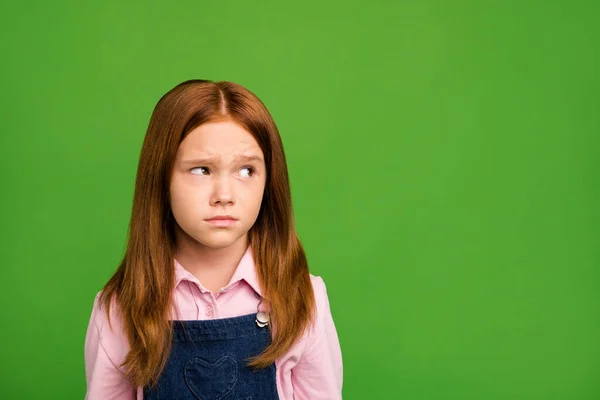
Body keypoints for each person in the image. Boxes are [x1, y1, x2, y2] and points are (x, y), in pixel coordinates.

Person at [83, 79, 343, 399]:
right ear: (161, 177)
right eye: (201, 170)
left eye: (246, 171)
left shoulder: (303, 298)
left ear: (269, 181)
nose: (224, 195)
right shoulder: (120, 308)